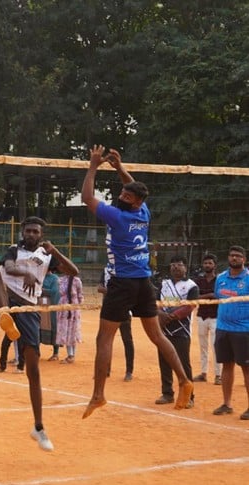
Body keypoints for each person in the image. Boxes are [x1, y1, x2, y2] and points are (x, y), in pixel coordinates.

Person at [81, 145, 193, 418]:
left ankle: (98, 395)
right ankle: (184, 380)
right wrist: (119, 168)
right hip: (144, 282)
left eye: (125, 195)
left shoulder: (117, 217)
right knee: (156, 335)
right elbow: (131, 188)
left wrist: (94, 165)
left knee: (103, 338)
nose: (121, 195)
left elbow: (86, 197)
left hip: (122, 284)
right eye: (122, 193)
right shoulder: (142, 214)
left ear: (135, 201)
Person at [0, 216, 79, 452]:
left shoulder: (46, 256)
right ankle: (4, 317)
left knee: (33, 370)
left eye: (35, 231)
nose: (31, 234)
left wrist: (55, 251)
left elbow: (73, 271)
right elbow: (7, 268)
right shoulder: (12, 250)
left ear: (41, 234)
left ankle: (38, 427)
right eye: (28, 230)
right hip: (9, 298)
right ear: (22, 232)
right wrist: (24, 273)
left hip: (29, 308)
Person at [211, 246, 249, 420]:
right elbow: (219, 297)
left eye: (238, 256)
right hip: (223, 328)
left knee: (246, 368)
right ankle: (227, 404)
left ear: (244, 260)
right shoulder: (220, 278)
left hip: (243, 330)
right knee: (227, 366)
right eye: (232, 255)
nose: (234, 258)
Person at [155, 255, 197, 408]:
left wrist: (171, 316)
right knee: (164, 361)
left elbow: (190, 306)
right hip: (163, 328)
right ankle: (167, 393)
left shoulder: (192, 286)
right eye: (173, 265)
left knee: (183, 363)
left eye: (179, 265)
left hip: (181, 330)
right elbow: (156, 301)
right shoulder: (164, 284)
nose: (175, 268)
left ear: (185, 267)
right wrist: (160, 314)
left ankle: (189, 396)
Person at [98, 267, 135, 381]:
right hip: (108, 309)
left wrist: (113, 292)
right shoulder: (106, 270)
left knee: (127, 340)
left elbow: (130, 290)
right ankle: (106, 369)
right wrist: (114, 292)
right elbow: (99, 288)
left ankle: (129, 371)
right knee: (106, 340)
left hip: (124, 309)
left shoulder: (126, 269)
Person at [193, 253, 222, 385]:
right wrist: (210, 295)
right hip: (202, 316)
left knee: (216, 346)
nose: (207, 265)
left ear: (215, 265)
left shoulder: (220, 280)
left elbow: (219, 296)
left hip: (216, 317)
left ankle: (218, 375)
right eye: (205, 263)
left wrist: (204, 296)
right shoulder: (198, 280)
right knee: (203, 347)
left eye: (210, 263)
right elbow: (194, 296)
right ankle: (203, 373)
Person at [56, 271, 83, 364]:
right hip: (64, 307)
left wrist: (78, 307)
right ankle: (70, 354)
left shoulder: (77, 281)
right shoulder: (60, 280)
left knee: (73, 330)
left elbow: (80, 295)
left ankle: (72, 355)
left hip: (74, 307)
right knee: (66, 330)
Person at [40, 269, 61, 359]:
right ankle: (36, 351)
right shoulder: (39, 277)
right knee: (38, 326)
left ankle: (55, 353)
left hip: (51, 307)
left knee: (53, 326)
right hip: (40, 306)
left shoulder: (55, 278)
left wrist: (41, 290)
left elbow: (54, 291)